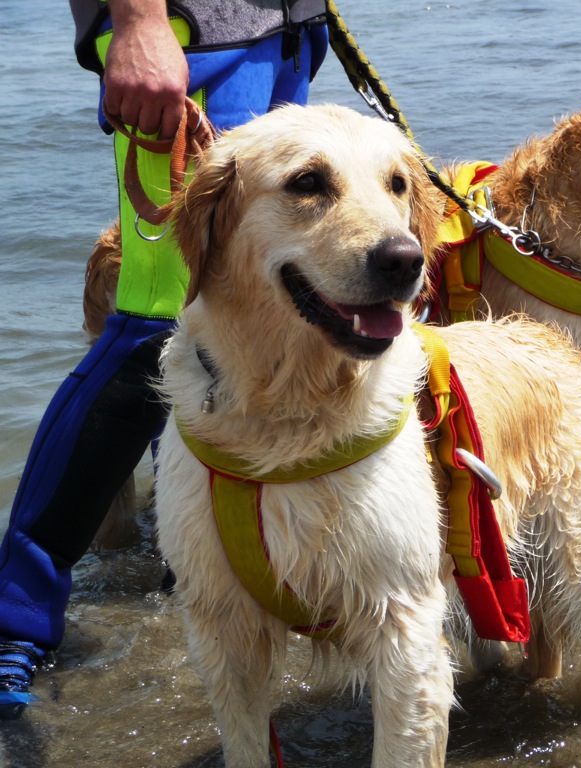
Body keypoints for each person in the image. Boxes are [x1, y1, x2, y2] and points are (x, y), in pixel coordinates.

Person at [0, 0, 329, 719]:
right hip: (193, 33)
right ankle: (15, 611)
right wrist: (139, 20)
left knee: (259, 320)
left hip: (284, 30)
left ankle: (210, 559)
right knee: (157, 322)